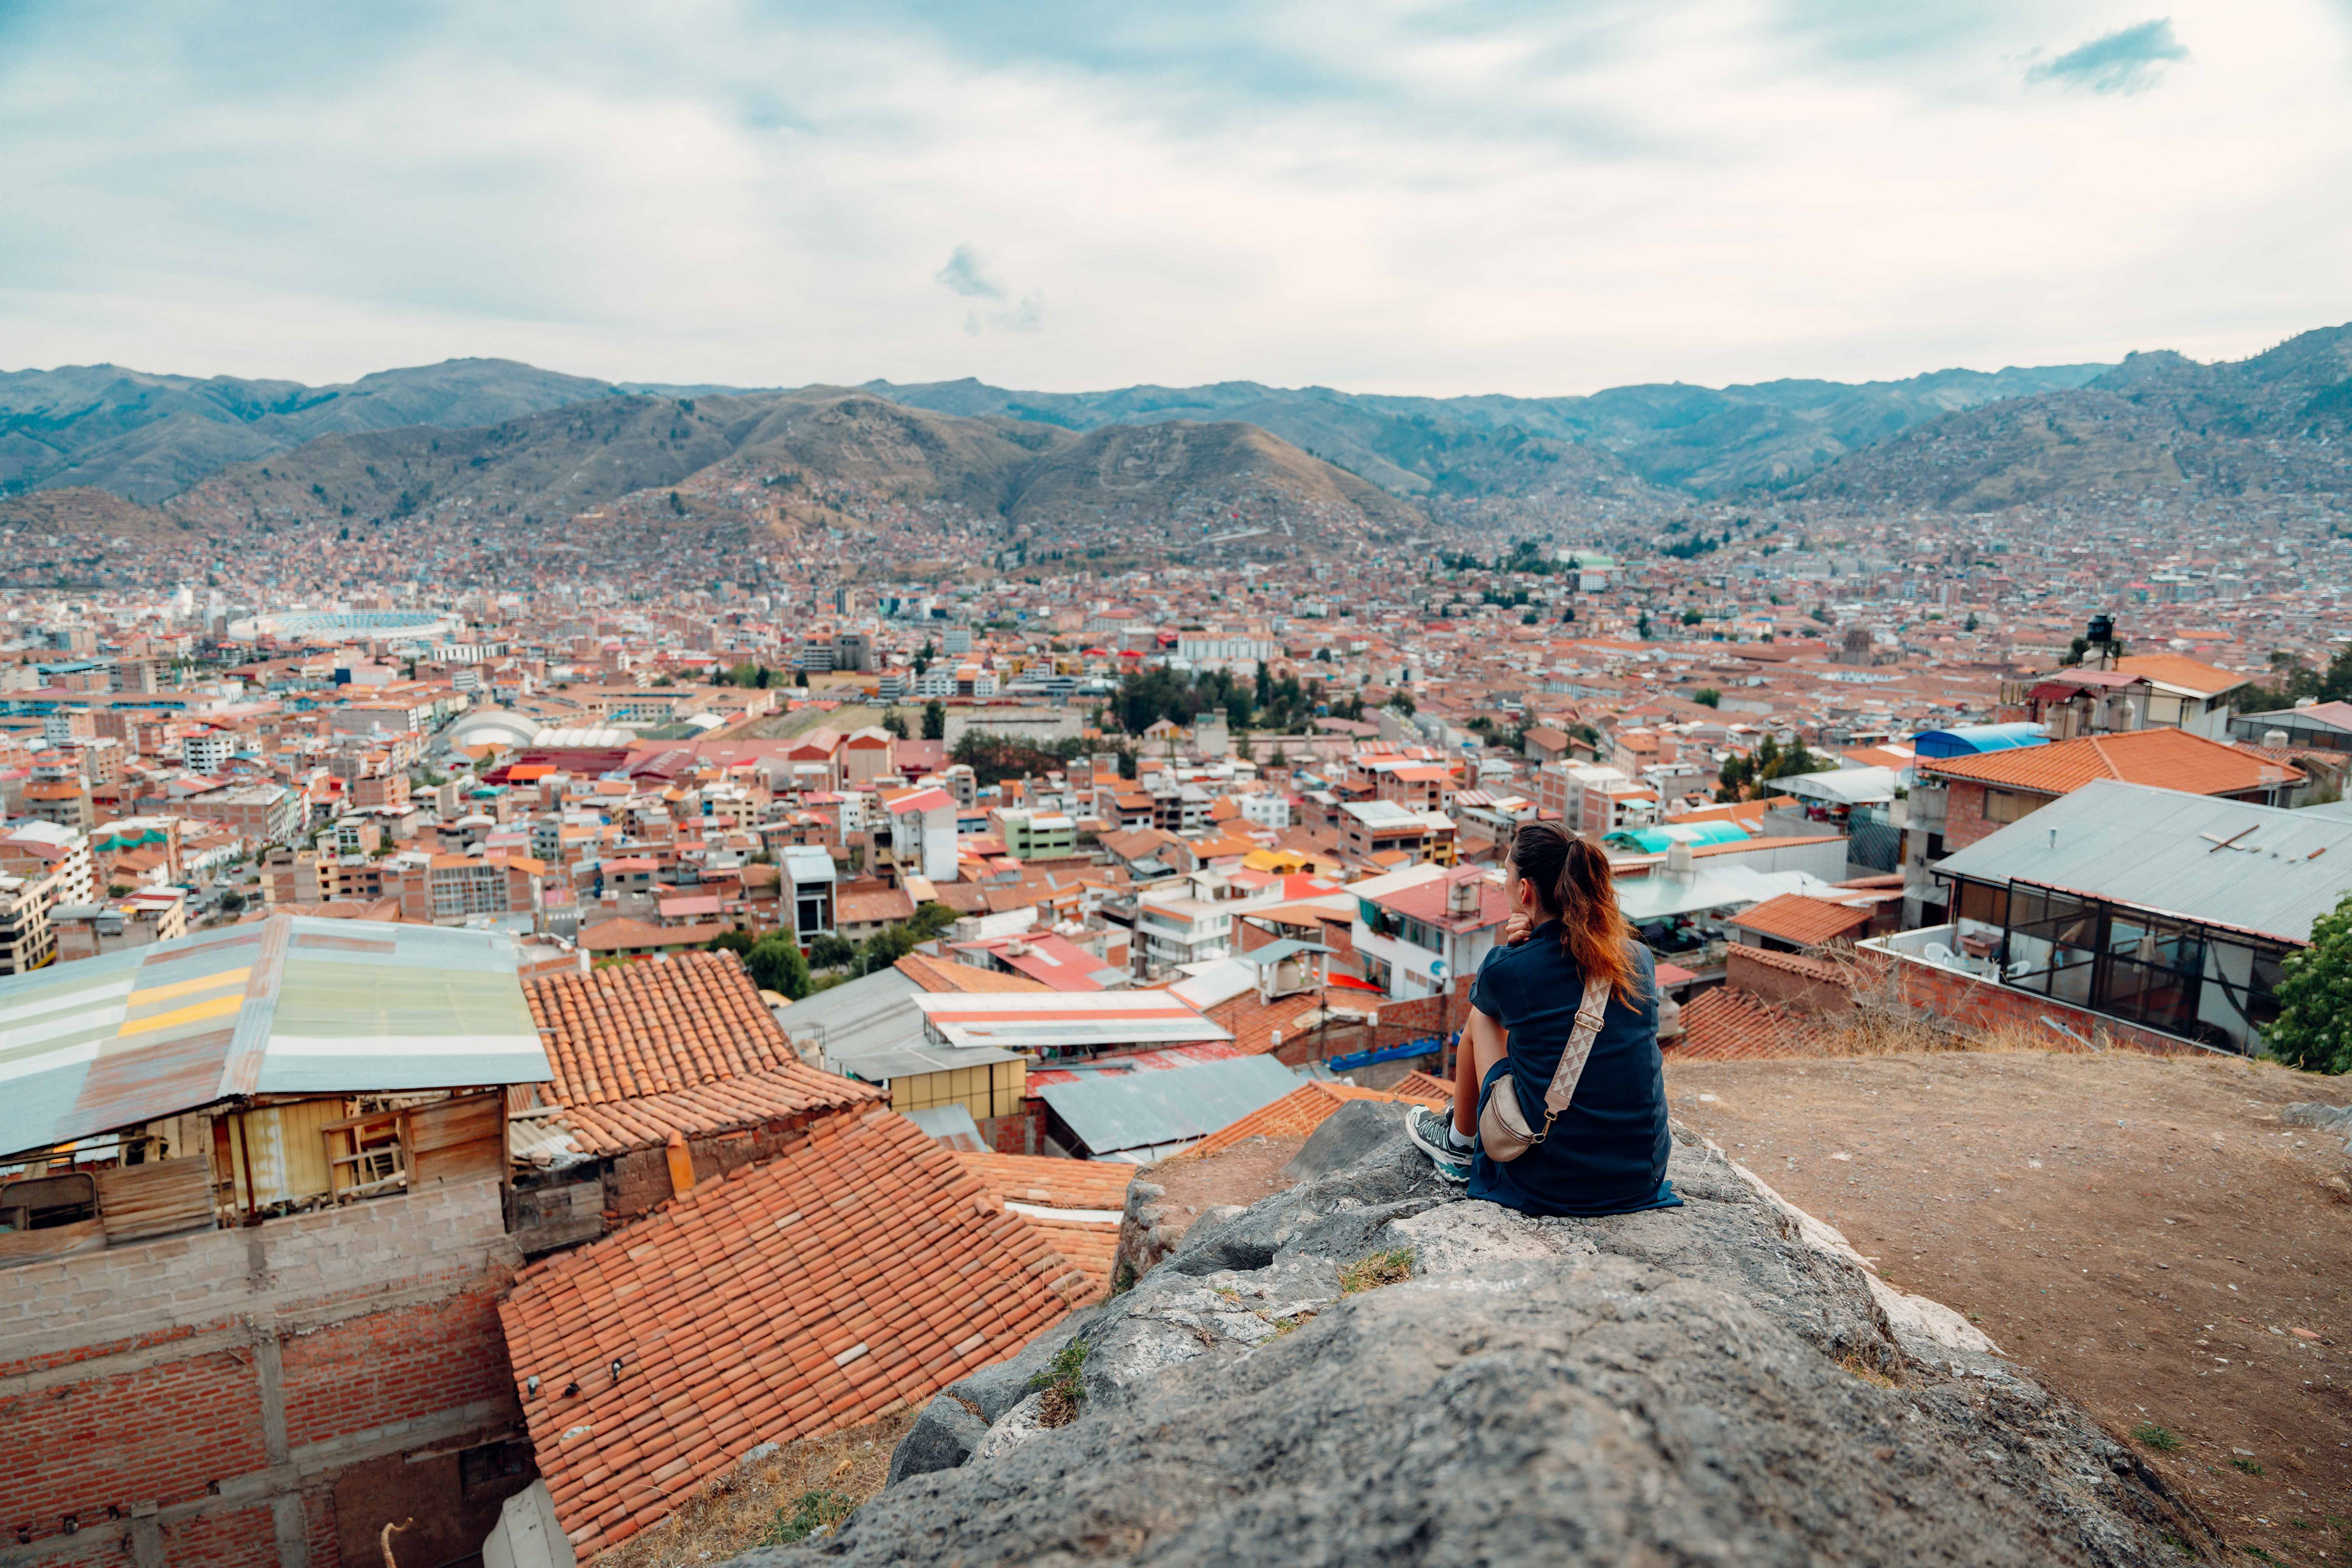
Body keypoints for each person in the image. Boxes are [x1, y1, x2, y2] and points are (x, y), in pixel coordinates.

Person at [1404, 821, 1679, 1216]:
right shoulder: (1637, 957)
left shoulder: (1508, 969)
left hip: (1550, 1182)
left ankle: (1459, 1144)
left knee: (1481, 1017)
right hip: (1640, 1176)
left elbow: (1510, 1000)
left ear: (1524, 891)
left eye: (1506, 873)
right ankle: (1461, 1138)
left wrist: (1517, 948)